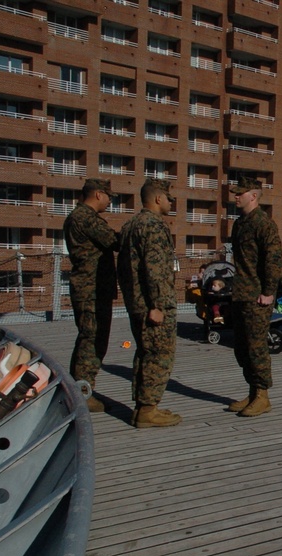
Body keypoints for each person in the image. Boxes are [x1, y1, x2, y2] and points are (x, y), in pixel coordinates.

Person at [117, 179, 181, 428]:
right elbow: (154, 270)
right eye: (168, 198)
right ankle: (147, 410)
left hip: (137, 303)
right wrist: (156, 305)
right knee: (159, 355)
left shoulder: (131, 224)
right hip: (155, 304)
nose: (170, 202)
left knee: (145, 353)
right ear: (157, 199)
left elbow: (124, 269)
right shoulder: (153, 226)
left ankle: (145, 406)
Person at [227, 176, 282, 417]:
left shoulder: (264, 223)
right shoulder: (239, 224)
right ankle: (252, 391)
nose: (235, 196)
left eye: (240, 193)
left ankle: (262, 395)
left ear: (254, 195)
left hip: (258, 295)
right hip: (241, 293)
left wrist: (269, 292)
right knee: (241, 346)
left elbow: (273, 260)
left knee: (256, 346)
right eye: (235, 193)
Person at [63, 178, 119, 412]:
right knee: (92, 341)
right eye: (108, 196)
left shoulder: (77, 216)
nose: (109, 201)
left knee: (89, 338)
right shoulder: (85, 217)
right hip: (91, 289)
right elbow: (114, 241)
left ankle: (78, 388)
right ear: (98, 194)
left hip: (92, 288)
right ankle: (82, 393)